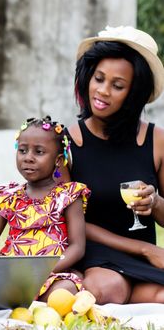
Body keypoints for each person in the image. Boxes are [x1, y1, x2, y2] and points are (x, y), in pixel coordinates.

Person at [64, 25, 164, 304]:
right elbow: (72, 223)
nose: (103, 91)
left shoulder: (156, 140)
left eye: (117, 86)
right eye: (98, 79)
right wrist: (145, 248)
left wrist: (155, 202)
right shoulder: (66, 142)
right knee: (108, 288)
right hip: (96, 257)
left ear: (133, 94)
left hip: (147, 264)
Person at [0, 116, 90, 300]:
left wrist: (45, 271)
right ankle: (6, 292)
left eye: (39, 152)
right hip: (9, 271)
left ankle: (13, 296)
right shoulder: (11, 196)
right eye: (23, 150)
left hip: (50, 273)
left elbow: (77, 247)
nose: (28, 158)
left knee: (66, 290)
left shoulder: (67, 196)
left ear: (58, 160)